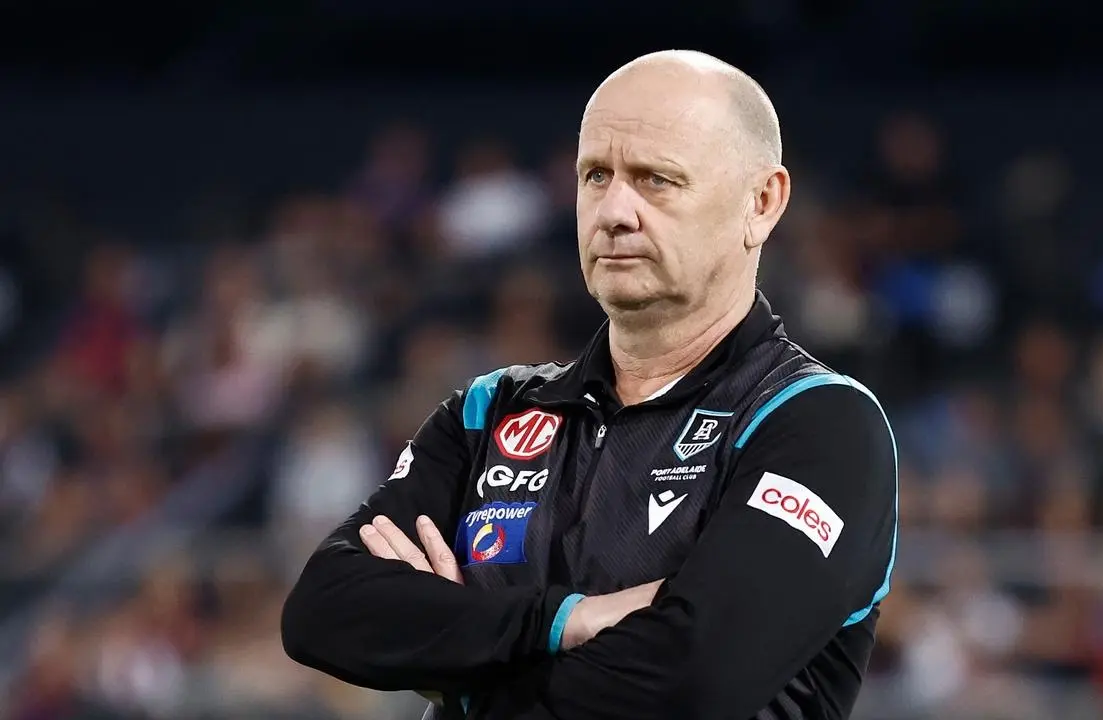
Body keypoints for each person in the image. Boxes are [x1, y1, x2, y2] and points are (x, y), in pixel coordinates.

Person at [281, 49, 898, 720]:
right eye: (596, 175)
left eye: (656, 179)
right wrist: (564, 621)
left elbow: (689, 683)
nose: (614, 212)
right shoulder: (489, 413)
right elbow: (321, 611)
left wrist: (456, 657)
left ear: (762, 201)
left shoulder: (820, 425)